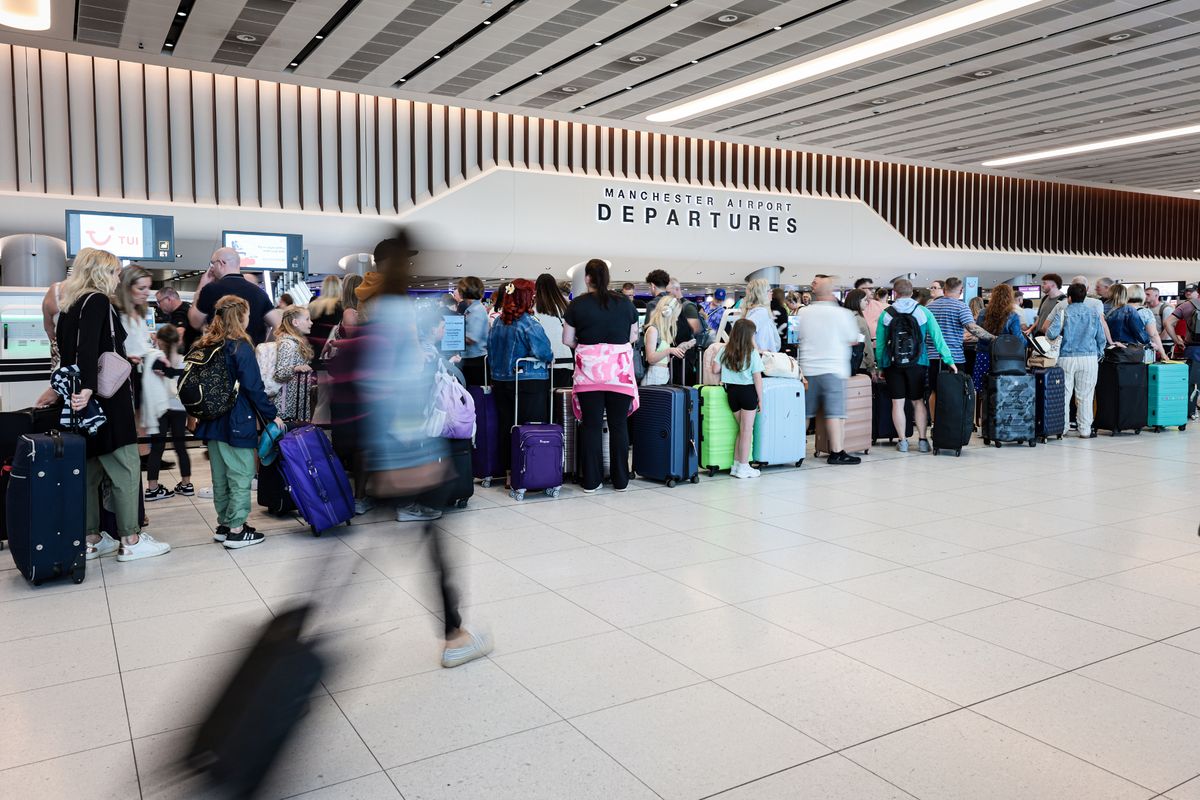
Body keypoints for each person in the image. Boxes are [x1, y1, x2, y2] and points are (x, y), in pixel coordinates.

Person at [363, 234, 491, 668]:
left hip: (375, 442)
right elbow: (401, 380)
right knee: (432, 549)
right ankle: (455, 635)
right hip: (401, 443)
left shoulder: (367, 304)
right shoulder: (395, 309)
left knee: (361, 562)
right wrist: (414, 442)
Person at [56, 248, 170, 562]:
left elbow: (70, 354)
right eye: (114, 271)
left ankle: (91, 539)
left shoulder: (69, 305)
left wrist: (80, 390)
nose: (118, 277)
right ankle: (131, 539)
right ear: (100, 272)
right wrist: (91, 387)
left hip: (79, 402)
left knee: (91, 469)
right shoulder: (97, 301)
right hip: (107, 399)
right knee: (126, 467)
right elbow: (92, 348)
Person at [194, 296, 285, 549]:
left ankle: (224, 525)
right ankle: (237, 530)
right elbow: (254, 388)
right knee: (241, 474)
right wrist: (271, 415)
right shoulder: (240, 346)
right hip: (237, 420)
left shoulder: (207, 343)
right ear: (241, 315)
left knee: (220, 477)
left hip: (212, 421)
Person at [563, 259, 639, 494]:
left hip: (589, 376)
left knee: (591, 426)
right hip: (619, 375)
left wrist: (588, 348)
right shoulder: (625, 304)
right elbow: (633, 336)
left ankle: (591, 481)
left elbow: (567, 340)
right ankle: (621, 480)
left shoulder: (577, 306)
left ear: (587, 278)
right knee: (618, 426)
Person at [875, 278, 955, 453]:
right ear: (912, 293)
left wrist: (881, 365)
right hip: (918, 362)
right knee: (918, 402)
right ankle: (922, 440)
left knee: (897, 403)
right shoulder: (923, 312)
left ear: (894, 293)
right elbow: (937, 337)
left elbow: (880, 344)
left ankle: (903, 441)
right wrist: (949, 360)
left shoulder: (886, 314)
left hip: (893, 364)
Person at [487, 279, 554, 482]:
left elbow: (490, 351)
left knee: (507, 426)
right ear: (527, 297)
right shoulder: (528, 323)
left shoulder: (498, 322)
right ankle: (527, 471)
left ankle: (509, 472)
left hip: (500, 380)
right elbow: (544, 352)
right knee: (529, 428)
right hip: (528, 382)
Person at [796, 276, 862, 465]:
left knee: (806, 413)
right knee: (835, 413)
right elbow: (853, 338)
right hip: (833, 369)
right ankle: (837, 452)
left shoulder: (803, 313)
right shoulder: (843, 314)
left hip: (808, 368)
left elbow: (798, 336)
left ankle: (795, 449)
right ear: (832, 293)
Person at [925, 277, 994, 411]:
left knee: (934, 391)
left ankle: (935, 425)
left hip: (932, 356)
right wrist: (994, 338)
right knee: (956, 391)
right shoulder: (961, 306)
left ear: (944, 290)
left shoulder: (929, 307)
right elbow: (972, 328)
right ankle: (953, 425)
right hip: (954, 357)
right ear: (961, 291)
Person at [142, 325, 192, 501]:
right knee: (181, 448)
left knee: (157, 448)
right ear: (177, 340)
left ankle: (153, 488)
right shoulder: (184, 360)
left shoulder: (153, 359)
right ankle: (186, 484)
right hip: (179, 408)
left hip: (160, 408)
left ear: (159, 341)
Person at [190, 247, 280, 345]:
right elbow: (279, 325)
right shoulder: (259, 293)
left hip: (220, 355)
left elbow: (195, 322)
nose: (211, 268)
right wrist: (264, 346)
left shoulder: (211, 290)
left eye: (212, 264)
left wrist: (201, 286)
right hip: (250, 355)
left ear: (221, 263)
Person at [708, 318, 763, 478]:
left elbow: (715, 368)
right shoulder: (751, 353)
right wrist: (761, 399)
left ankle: (736, 464)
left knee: (742, 429)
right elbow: (757, 377)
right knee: (747, 430)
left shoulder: (725, 350)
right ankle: (744, 467)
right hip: (747, 392)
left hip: (731, 393)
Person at [1052, 282, 1108, 438]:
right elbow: (1101, 338)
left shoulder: (1063, 312)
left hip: (1066, 358)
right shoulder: (1094, 313)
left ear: (1069, 298)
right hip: (1089, 358)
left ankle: (1061, 428)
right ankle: (1084, 429)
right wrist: (1098, 352)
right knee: (1086, 395)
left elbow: (1051, 334)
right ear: (1084, 297)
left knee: (1064, 395)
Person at [273, 306, 316, 421]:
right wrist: (296, 368)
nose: (311, 323)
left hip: (296, 405)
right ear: (295, 322)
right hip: (287, 408)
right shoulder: (287, 344)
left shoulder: (296, 343)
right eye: (307, 319)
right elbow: (280, 373)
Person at [533, 273, 574, 390]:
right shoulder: (564, 307)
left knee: (544, 400)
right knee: (561, 400)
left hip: (541, 362)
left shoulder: (534, 310)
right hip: (565, 358)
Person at [642, 298, 695, 386]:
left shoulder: (663, 331)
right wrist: (669, 350)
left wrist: (679, 348)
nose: (677, 319)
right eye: (675, 316)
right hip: (654, 376)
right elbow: (651, 359)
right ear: (667, 313)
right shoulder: (653, 330)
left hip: (662, 375)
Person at [454, 275, 488, 386]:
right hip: (470, 358)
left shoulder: (477, 310)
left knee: (474, 395)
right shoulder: (471, 309)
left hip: (475, 361)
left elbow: (471, 339)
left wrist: (450, 335)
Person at [1124, 285, 1167, 363]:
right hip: (1140, 352)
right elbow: (1153, 334)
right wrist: (1163, 354)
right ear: (1142, 295)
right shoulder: (1145, 312)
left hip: (1121, 351)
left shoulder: (1118, 309)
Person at [155, 286, 200, 355]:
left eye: (159, 302)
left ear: (168, 299)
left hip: (187, 356)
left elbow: (179, 335)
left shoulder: (180, 314)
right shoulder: (185, 306)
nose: (158, 305)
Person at [1070, 275, 1114, 345]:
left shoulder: (1112, 303)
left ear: (1107, 288)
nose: (1095, 289)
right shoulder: (1098, 301)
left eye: (1098, 287)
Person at [307, 274, 343, 356]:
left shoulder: (313, 303)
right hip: (329, 347)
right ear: (339, 288)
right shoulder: (340, 306)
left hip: (312, 346)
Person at [842, 288, 876, 374]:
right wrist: (871, 366)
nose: (867, 302)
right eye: (865, 300)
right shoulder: (859, 320)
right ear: (857, 301)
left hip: (844, 364)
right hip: (860, 364)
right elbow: (866, 346)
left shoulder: (842, 317)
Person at [743, 278, 781, 353]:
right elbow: (746, 331)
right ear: (761, 293)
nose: (771, 293)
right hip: (763, 360)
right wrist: (758, 351)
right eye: (769, 290)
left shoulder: (752, 310)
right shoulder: (761, 312)